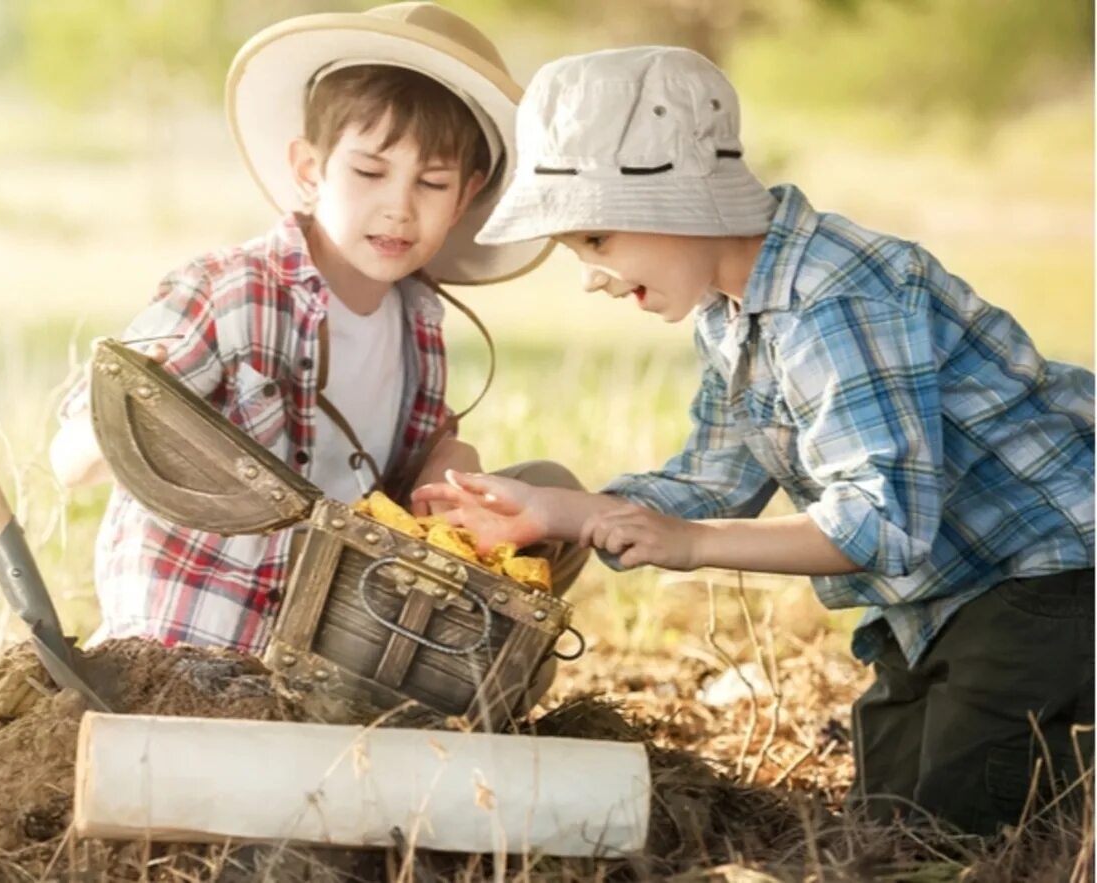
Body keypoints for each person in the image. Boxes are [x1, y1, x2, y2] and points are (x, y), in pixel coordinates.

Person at [413, 45, 1095, 836]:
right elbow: (715, 477)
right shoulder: (731, 310)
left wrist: (693, 543)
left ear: (680, 202)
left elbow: (882, 522)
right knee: (882, 821)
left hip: (1053, 576)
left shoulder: (832, 299)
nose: (590, 277)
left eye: (596, 240)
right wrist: (556, 511)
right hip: (947, 597)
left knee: (960, 822)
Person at [49, 3, 588, 653]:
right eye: (369, 172)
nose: (398, 206)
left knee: (550, 491)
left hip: (340, 631)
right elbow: (71, 459)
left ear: (466, 194)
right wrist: (139, 415)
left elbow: (412, 461)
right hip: (202, 633)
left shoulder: (417, 323)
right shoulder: (228, 292)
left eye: (432, 182)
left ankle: (453, 688)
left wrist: (449, 465)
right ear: (310, 168)